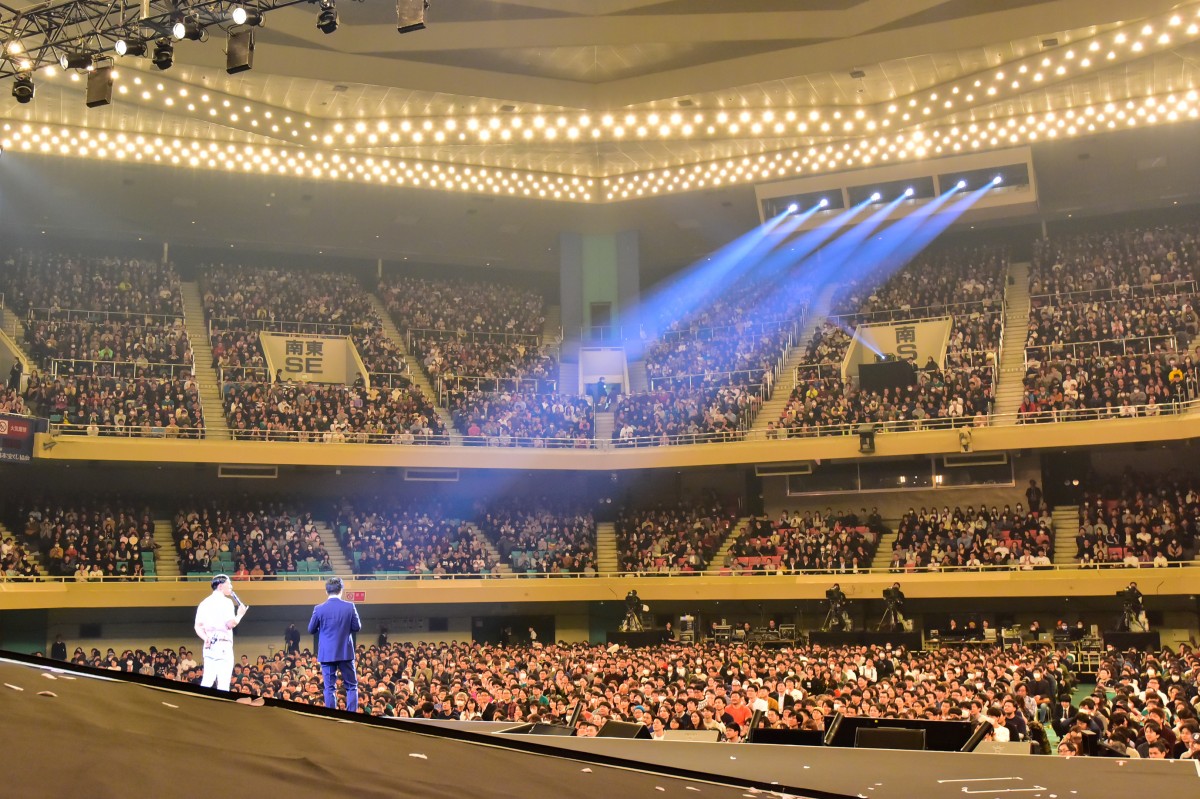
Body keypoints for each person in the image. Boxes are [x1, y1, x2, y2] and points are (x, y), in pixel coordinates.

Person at [308, 576, 362, 712]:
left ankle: (331, 715)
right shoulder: (350, 606)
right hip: (345, 651)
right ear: (341, 590)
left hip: (327, 653)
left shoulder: (319, 609)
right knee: (351, 686)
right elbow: (357, 627)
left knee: (329, 687)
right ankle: (352, 714)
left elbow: (311, 629)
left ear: (326, 591)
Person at [193, 574, 248, 691]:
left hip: (208, 644)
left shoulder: (204, 603)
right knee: (223, 682)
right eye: (229, 584)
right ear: (220, 586)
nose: (231, 586)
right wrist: (240, 615)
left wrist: (205, 638)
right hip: (223, 644)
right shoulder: (226, 602)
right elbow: (230, 624)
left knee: (208, 679)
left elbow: (197, 626)